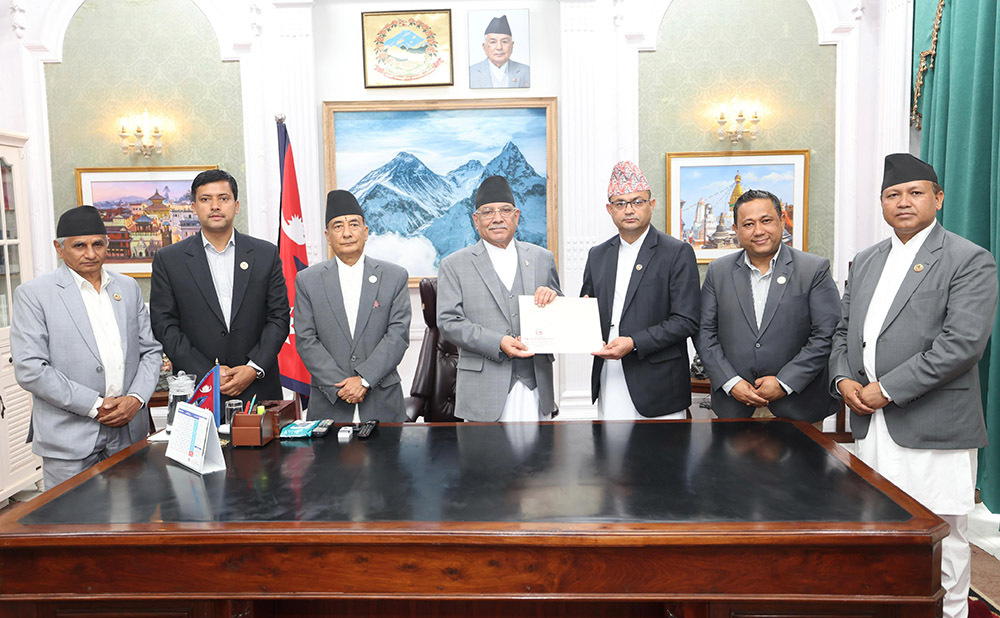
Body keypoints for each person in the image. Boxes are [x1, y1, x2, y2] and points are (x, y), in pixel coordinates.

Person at [829, 153, 998, 618]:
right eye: (892, 194)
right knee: (878, 526)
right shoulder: (867, 261)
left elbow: (961, 345)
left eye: (915, 192)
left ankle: (951, 613)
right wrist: (842, 379)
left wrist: (885, 389)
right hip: (871, 424)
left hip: (933, 424)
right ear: (882, 203)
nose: (903, 202)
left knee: (942, 532)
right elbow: (843, 331)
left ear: (938, 199)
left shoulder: (968, 259)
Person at [11, 206, 162, 489]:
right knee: (71, 515)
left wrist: (136, 398)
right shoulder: (33, 294)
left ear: (107, 244)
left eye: (98, 244)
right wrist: (95, 405)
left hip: (128, 430)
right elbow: (31, 369)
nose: (91, 254)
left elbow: (150, 351)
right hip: (69, 438)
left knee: (132, 513)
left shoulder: (127, 288)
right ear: (59, 248)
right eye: (79, 246)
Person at [695, 189, 841, 426]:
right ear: (736, 230)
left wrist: (784, 382)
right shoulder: (718, 272)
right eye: (748, 224)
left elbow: (827, 334)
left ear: (782, 221)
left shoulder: (813, 269)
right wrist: (731, 382)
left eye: (766, 221)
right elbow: (704, 333)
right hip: (735, 406)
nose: (759, 231)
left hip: (798, 407)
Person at [150, 169, 289, 404]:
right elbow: (165, 326)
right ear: (194, 207)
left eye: (223, 198)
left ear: (236, 206)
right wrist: (208, 373)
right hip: (198, 390)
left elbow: (279, 317)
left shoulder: (265, 254)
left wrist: (253, 367)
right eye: (206, 199)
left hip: (258, 388)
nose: (215, 206)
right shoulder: (169, 260)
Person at [580, 161, 700, 419]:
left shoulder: (676, 252)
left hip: (660, 384)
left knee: (662, 448)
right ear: (610, 209)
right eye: (620, 203)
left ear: (651, 204)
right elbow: (587, 305)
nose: (629, 210)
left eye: (637, 201)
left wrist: (634, 343)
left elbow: (686, 320)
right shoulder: (597, 255)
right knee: (611, 445)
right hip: (610, 374)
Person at [437, 175, 560, 422]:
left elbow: (561, 314)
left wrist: (554, 299)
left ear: (516, 216)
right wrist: (498, 342)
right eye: (488, 212)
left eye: (505, 210)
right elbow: (448, 322)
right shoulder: (454, 264)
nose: (497, 218)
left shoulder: (542, 258)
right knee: (485, 449)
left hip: (536, 387)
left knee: (542, 449)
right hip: (482, 391)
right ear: (476, 220)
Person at [294, 190, 410, 422]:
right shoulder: (307, 280)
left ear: (365, 232)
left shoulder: (394, 276)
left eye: (354, 225)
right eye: (338, 226)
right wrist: (341, 385)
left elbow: (397, 336)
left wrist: (364, 380)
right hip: (329, 403)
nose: (347, 233)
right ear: (328, 236)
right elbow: (306, 340)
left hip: (382, 403)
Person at [469, 15, 530, 89]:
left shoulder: (527, 72)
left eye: (504, 41)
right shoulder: (470, 73)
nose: (499, 47)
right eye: (493, 42)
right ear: (484, 47)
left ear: (512, 46)